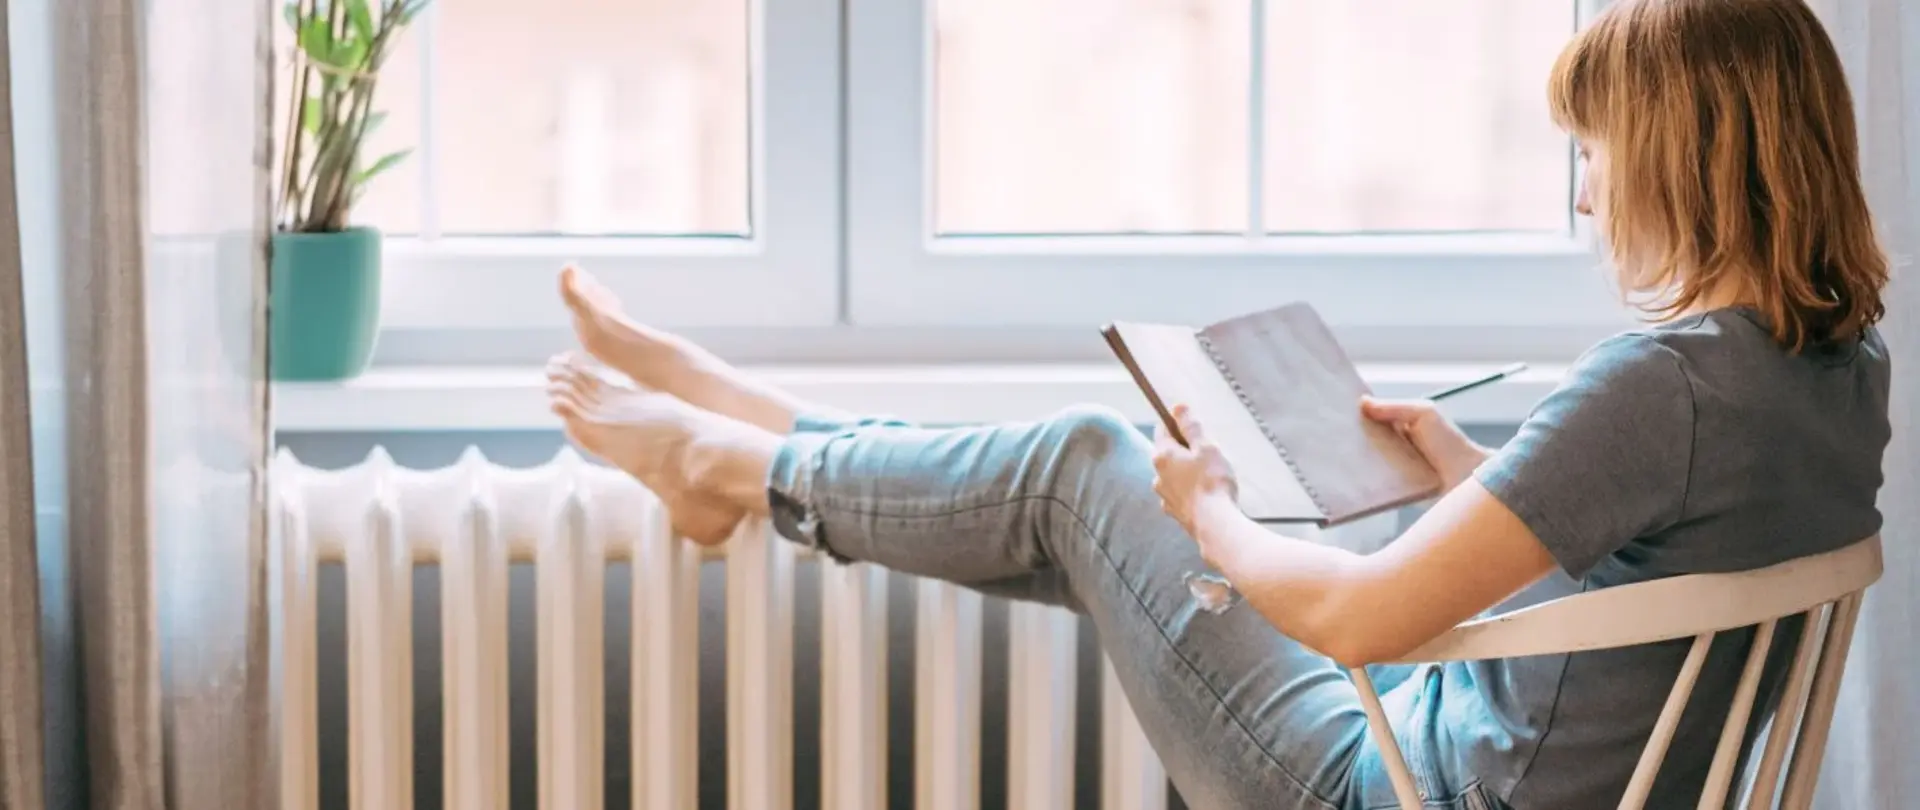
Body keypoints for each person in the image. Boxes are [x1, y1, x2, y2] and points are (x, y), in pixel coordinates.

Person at [542, 0, 1891, 806]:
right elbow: (1666, 550)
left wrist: (1214, 513)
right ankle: (764, 439)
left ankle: (745, 460)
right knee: (1073, 506)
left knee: (1085, 466)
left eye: (1596, 153)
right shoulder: (1834, 373)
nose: (1587, 193)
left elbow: (1361, 619)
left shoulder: (1660, 385)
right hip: (1483, 754)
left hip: (1400, 786)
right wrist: (1464, 466)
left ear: (1681, 159)